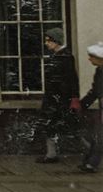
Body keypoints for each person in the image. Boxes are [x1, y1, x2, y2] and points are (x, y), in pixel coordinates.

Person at [37, 28, 80, 163]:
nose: (46, 43)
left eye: (49, 41)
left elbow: (72, 78)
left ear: (57, 41)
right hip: (52, 98)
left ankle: (92, 150)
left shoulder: (66, 57)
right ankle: (51, 154)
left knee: (68, 126)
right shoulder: (55, 56)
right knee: (50, 125)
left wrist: (74, 97)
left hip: (61, 98)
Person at [77, 43, 103, 173]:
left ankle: (91, 163)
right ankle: (90, 163)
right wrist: (83, 104)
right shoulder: (99, 71)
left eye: (91, 56)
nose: (89, 59)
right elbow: (94, 91)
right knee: (98, 135)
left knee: (99, 136)